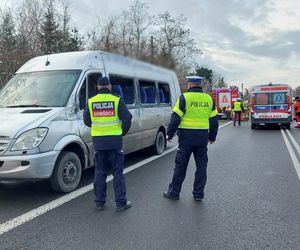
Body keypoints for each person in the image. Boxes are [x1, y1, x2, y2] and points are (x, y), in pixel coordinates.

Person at [163, 76, 219, 201]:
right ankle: (198, 194)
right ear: (200, 85)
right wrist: (213, 136)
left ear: (189, 85)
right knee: (201, 167)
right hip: (202, 138)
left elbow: (175, 118)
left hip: (186, 139)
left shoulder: (184, 98)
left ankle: (174, 193)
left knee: (180, 166)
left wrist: (169, 134)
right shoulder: (209, 99)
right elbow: (214, 120)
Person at [83, 76, 133, 211]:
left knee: (100, 172)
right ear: (109, 86)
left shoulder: (91, 101)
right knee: (118, 172)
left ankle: (99, 202)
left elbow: (87, 121)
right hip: (115, 142)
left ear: (98, 87)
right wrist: (122, 132)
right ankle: (121, 203)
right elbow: (127, 118)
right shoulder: (116, 100)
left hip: (99, 143)